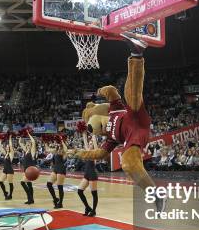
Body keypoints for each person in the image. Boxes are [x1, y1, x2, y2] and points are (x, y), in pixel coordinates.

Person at [75, 34, 166, 212]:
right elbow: (100, 154)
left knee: (130, 94)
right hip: (134, 137)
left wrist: (101, 90)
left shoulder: (114, 109)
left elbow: (111, 90)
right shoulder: (109, 138)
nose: (96, 128)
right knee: (128, 164)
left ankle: (136, 54)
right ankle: (155, 194)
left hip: (135, 116)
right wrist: (79, 152)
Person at [76, 131, 99, 217]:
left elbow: (96, 146)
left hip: (92, 174)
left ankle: (94, 211)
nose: (89, 144)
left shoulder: (95, 153)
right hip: (86, 174)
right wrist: (83, 132)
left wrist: (93, 135)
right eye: (89, 143)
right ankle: (87, 207)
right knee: (80, 191)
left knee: (94, 194)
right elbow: (85, 141)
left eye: (91, 144)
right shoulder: (87, 152)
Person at [46, 139, 68, 209]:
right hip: (55, 169)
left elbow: (66, 149)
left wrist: (62, 140)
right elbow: (47, 149)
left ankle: (60, 203)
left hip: (61, 169)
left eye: (58, 142)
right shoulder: (55, 151)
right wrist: (45, 141)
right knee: (49, 184)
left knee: (59, 187)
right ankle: (55, 199)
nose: (56, 143)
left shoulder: (63, 152)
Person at [19, 132, 37, 205]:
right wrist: (21, 135)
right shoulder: (26, 151)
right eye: (27, 144)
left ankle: (29, 198)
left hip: (30, 170)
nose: (27, 145)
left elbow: (33, 142)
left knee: (22, 182)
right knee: (29, 184)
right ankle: (31, 199)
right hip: (26, 170)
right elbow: (20, 142)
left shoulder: (32, 151)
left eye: (29, 144)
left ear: (31, 145)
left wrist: (28, 133)